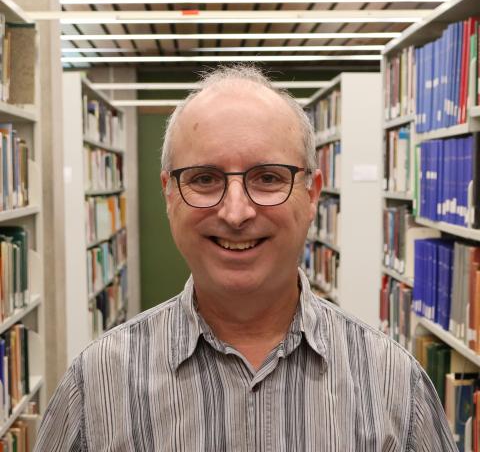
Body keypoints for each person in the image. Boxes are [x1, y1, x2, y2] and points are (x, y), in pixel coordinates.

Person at [34, 65, 457, 451]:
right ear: (168, 194)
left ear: (312, 194)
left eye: (268, 177)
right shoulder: (94, 386)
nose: (236, 212)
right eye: (204, 179)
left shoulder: (395, 384)